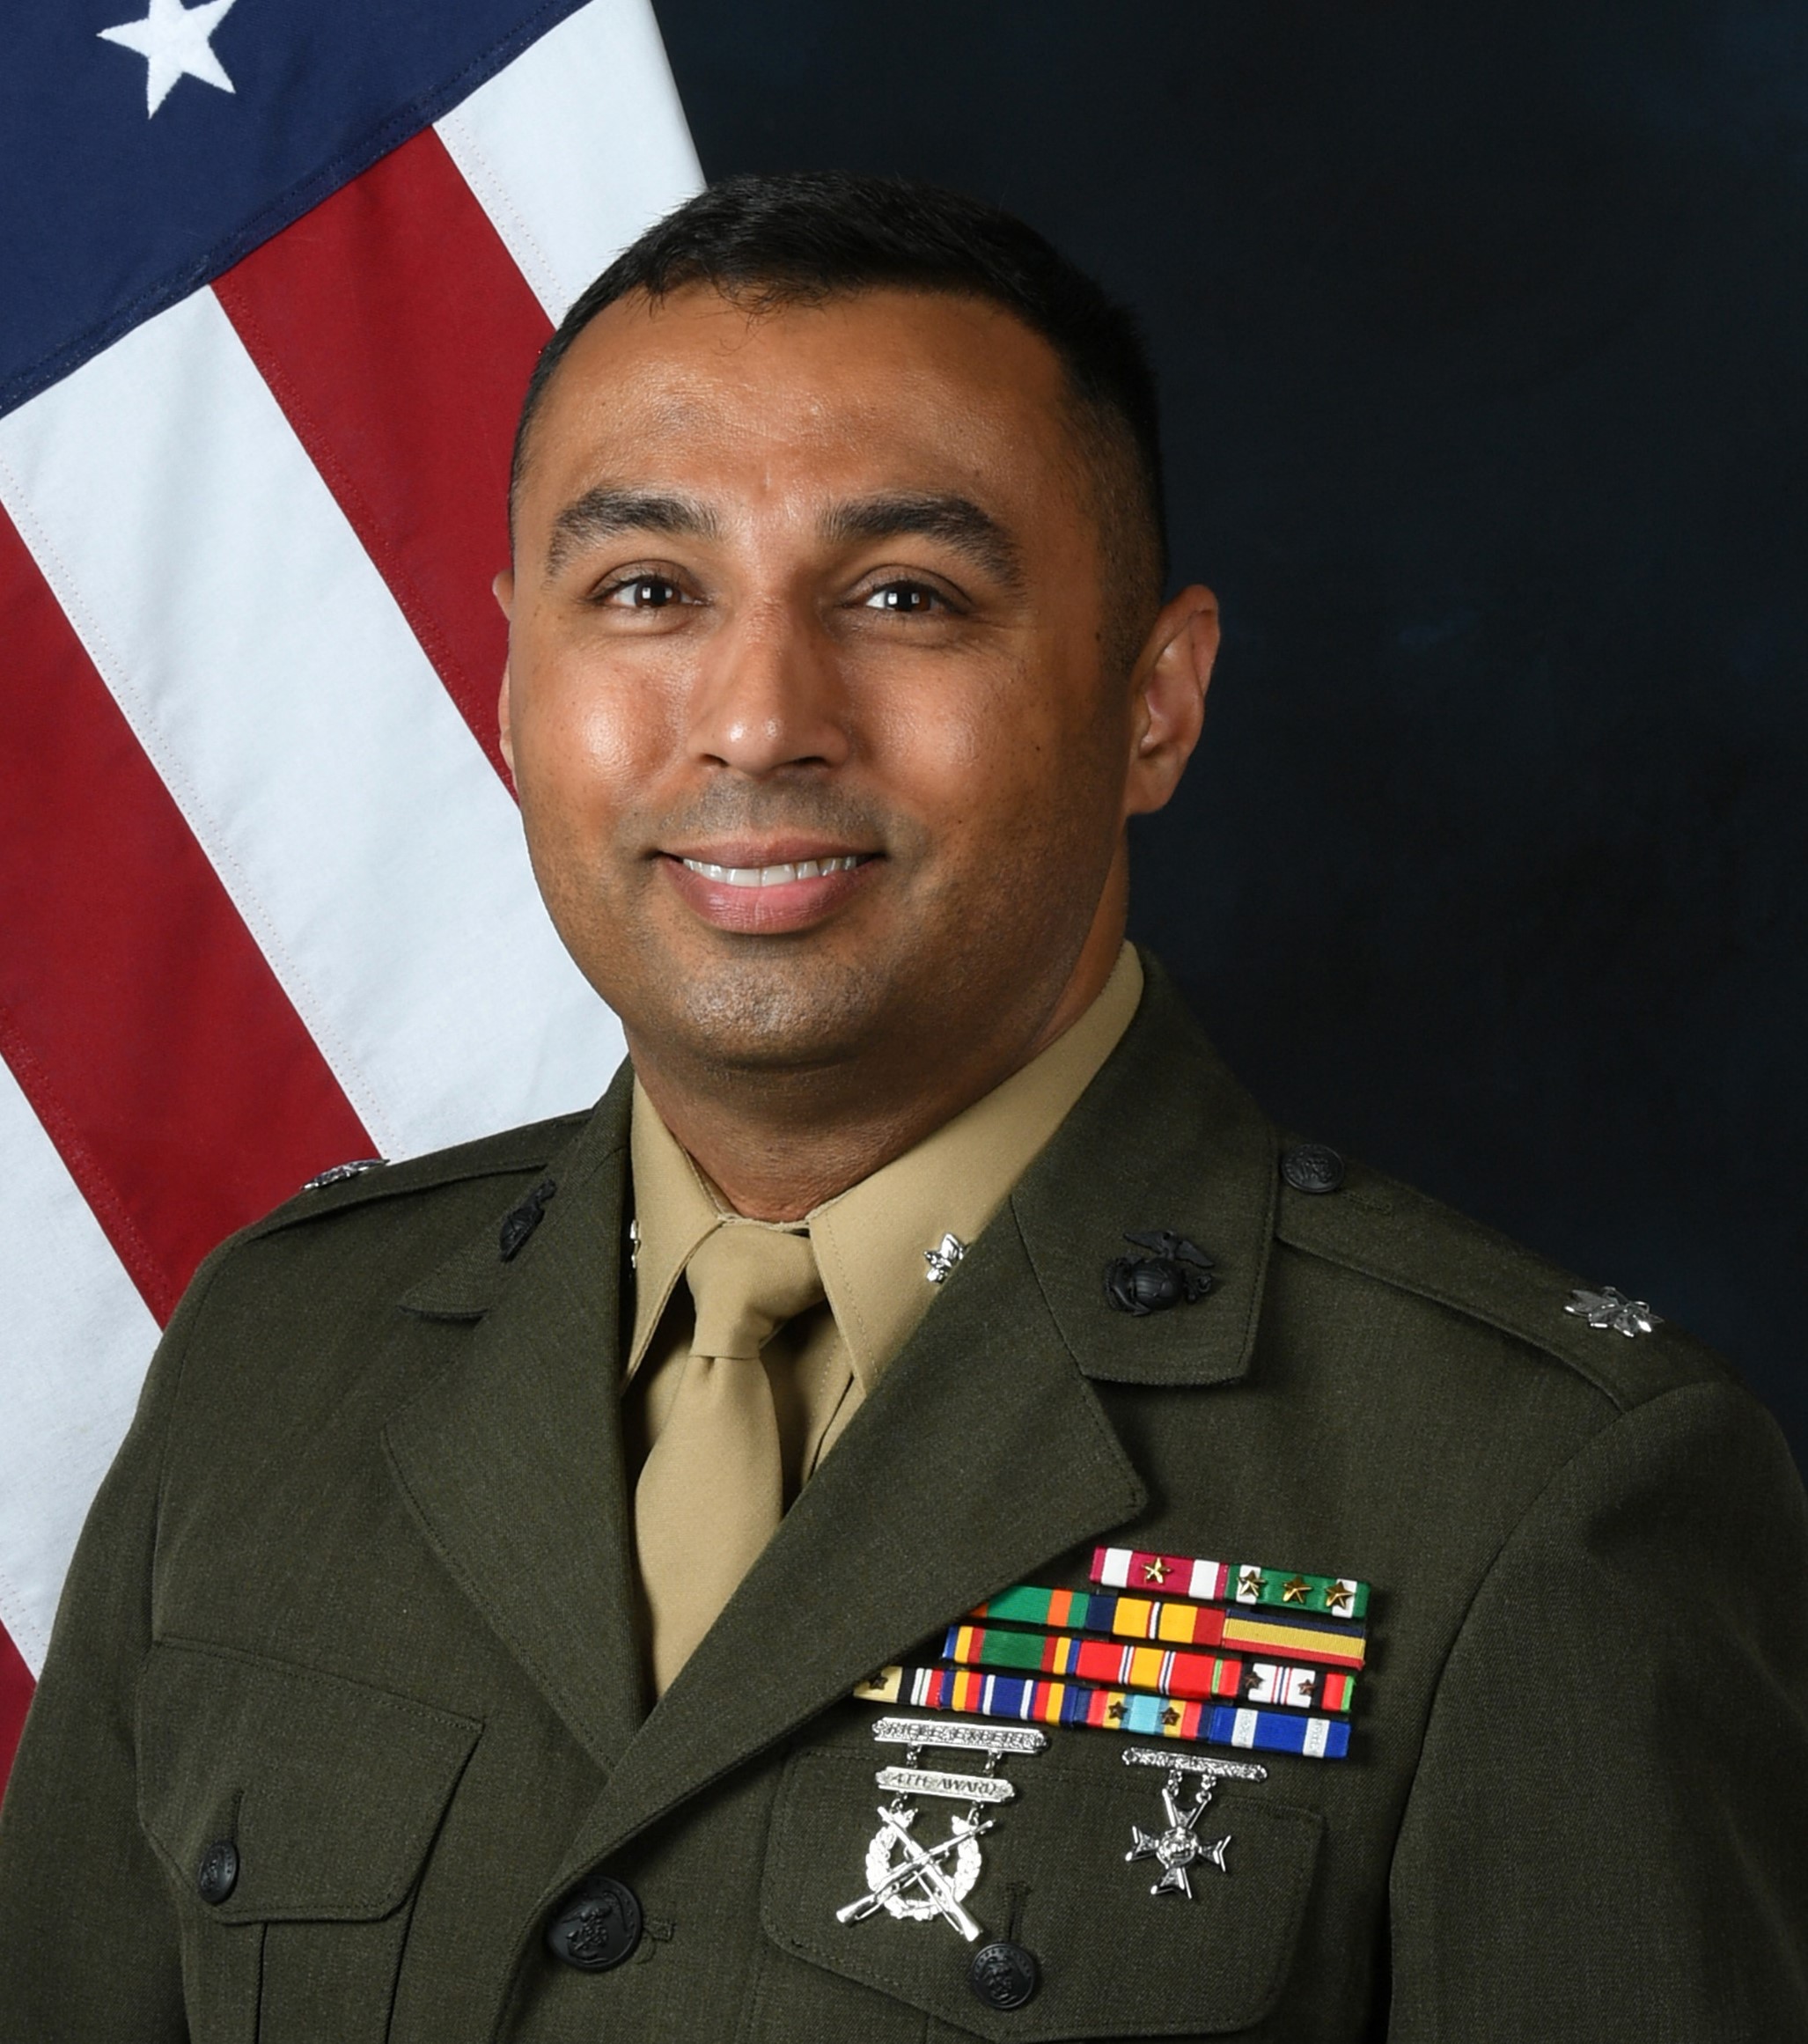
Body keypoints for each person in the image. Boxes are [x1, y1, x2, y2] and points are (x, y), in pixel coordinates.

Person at [1, 171, 1803, 2043]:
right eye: (646, 590)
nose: (762, 715)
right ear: (515, 686)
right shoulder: (279, 1359)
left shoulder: (1532, 1488)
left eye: (902, 595)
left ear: (1155, 703)